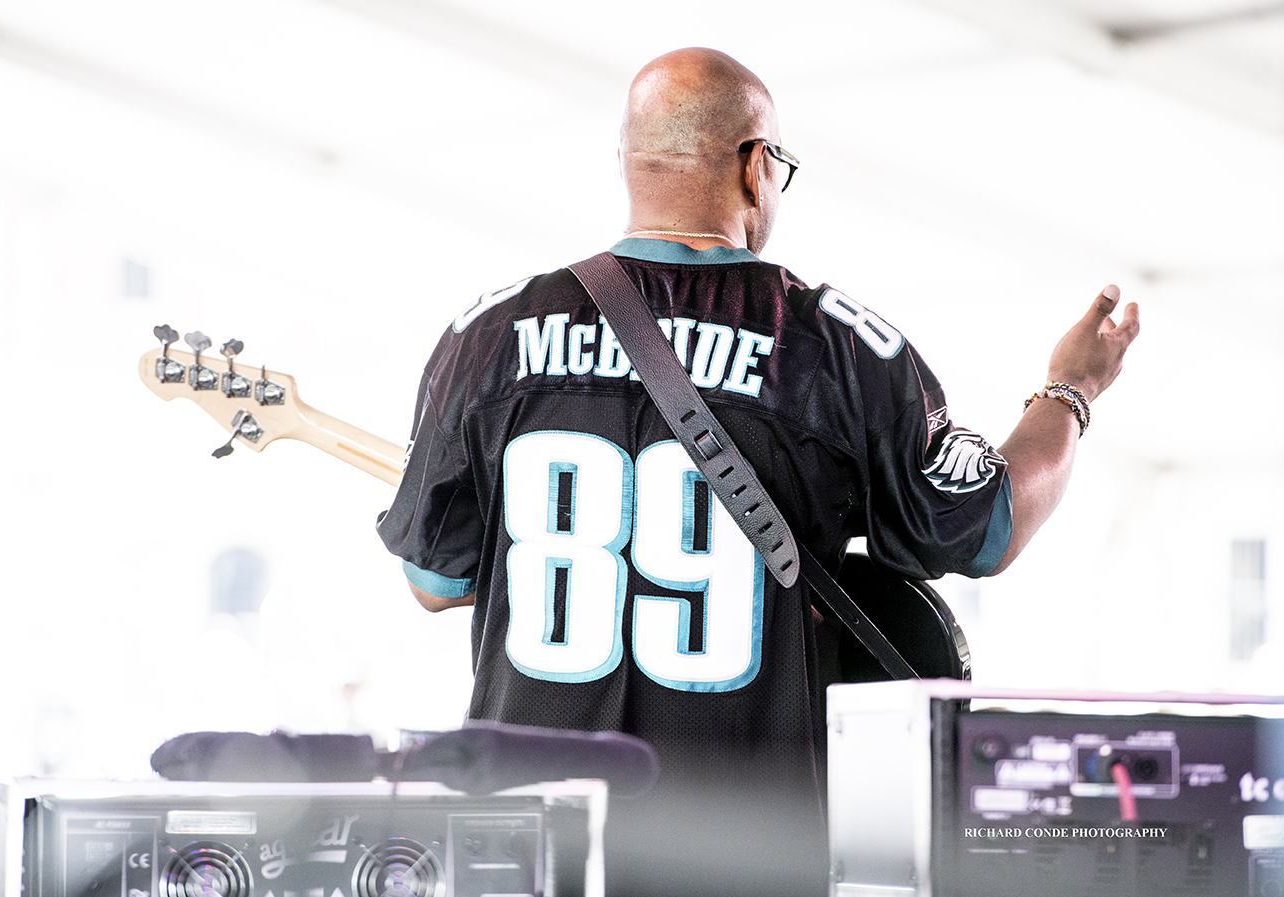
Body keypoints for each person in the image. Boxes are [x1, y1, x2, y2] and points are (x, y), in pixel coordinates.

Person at [377, 47, 1139, 896]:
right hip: (743, 849)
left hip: (526, 850)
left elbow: (435, 580)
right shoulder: (836, 345)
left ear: (631, 160)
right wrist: (1070, 389)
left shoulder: (487, 337)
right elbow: (985, 524)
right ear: (755, 164)